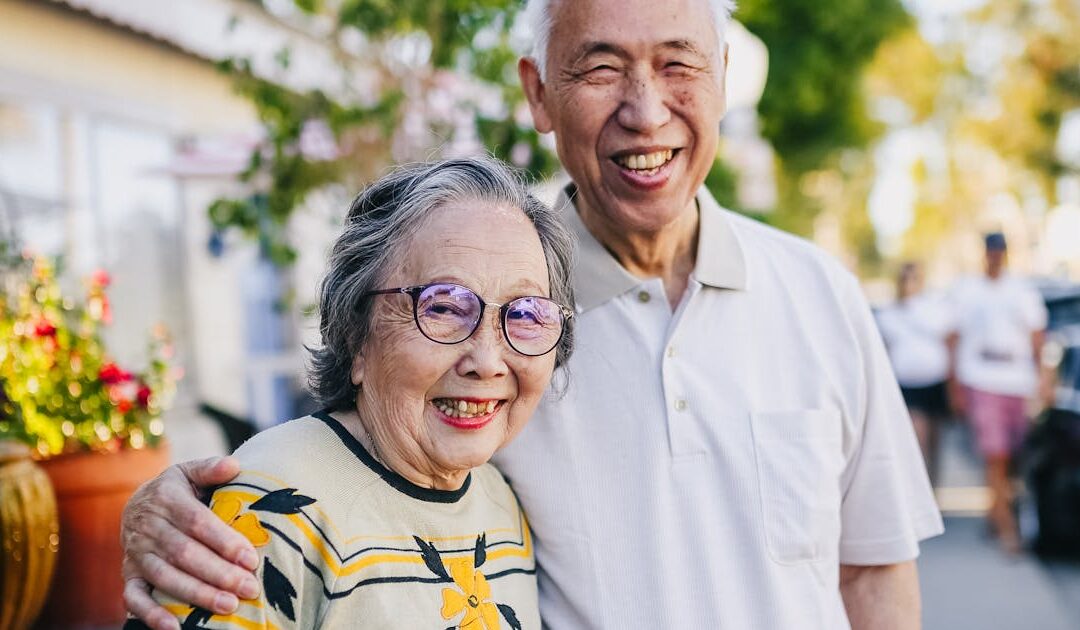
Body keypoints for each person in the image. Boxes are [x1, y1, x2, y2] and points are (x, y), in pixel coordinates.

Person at [122, 1, 943, 628]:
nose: (646, 111)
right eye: (601, 68)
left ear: (723, 79)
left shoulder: (821, 293)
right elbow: (353, 457)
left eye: (679, 65)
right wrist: (175, 508)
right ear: (538, 93)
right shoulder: (499, 322)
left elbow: (871, 570)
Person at [124, 157, 576, 628]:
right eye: (442, 307)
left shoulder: (503, 503)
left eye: (525, 314)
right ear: (356, 335)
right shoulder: (270, 508)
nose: (486, 361)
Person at [949, 232, 1047, 554]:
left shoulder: (1021, 290)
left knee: (1013, 456)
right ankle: (1007, 529)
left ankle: (996, 513)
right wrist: (956, 386)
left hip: (1016, 381)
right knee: (996, 455)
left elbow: (1037, 337)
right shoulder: (968, 290)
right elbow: (954, 337)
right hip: (981, 378)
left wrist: (1043, 380)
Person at [876, 262, 954, 484]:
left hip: (935, 383)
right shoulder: (889, 314)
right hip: (908, 384)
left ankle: (933, 490)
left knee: (935, 442)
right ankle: (920, 489)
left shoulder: (934, 308)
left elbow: (949, 342)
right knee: (918, 441)